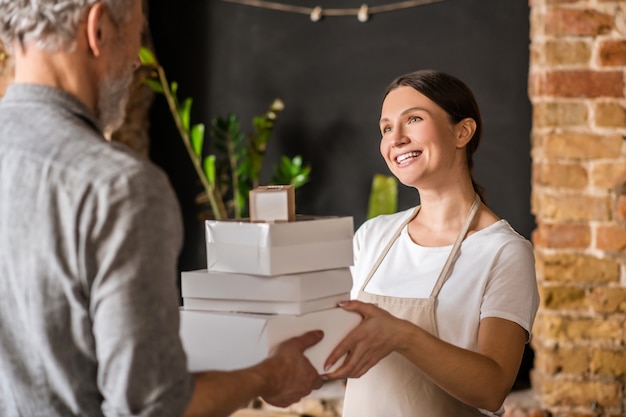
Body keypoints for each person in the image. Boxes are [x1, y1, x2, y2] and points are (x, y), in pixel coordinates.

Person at [0, 1, 324, 416]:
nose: (137, 59)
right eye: (136, 33)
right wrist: (271, 375)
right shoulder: (117, 187)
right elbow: (152, 409)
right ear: (98, 30)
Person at [322, 70, 540, 416]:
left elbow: (492, 388)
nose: (396, 138)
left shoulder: (502, 252)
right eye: (387, 128)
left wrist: (401, 335)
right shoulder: (373, 236)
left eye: (414, 119)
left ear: (462, 132)